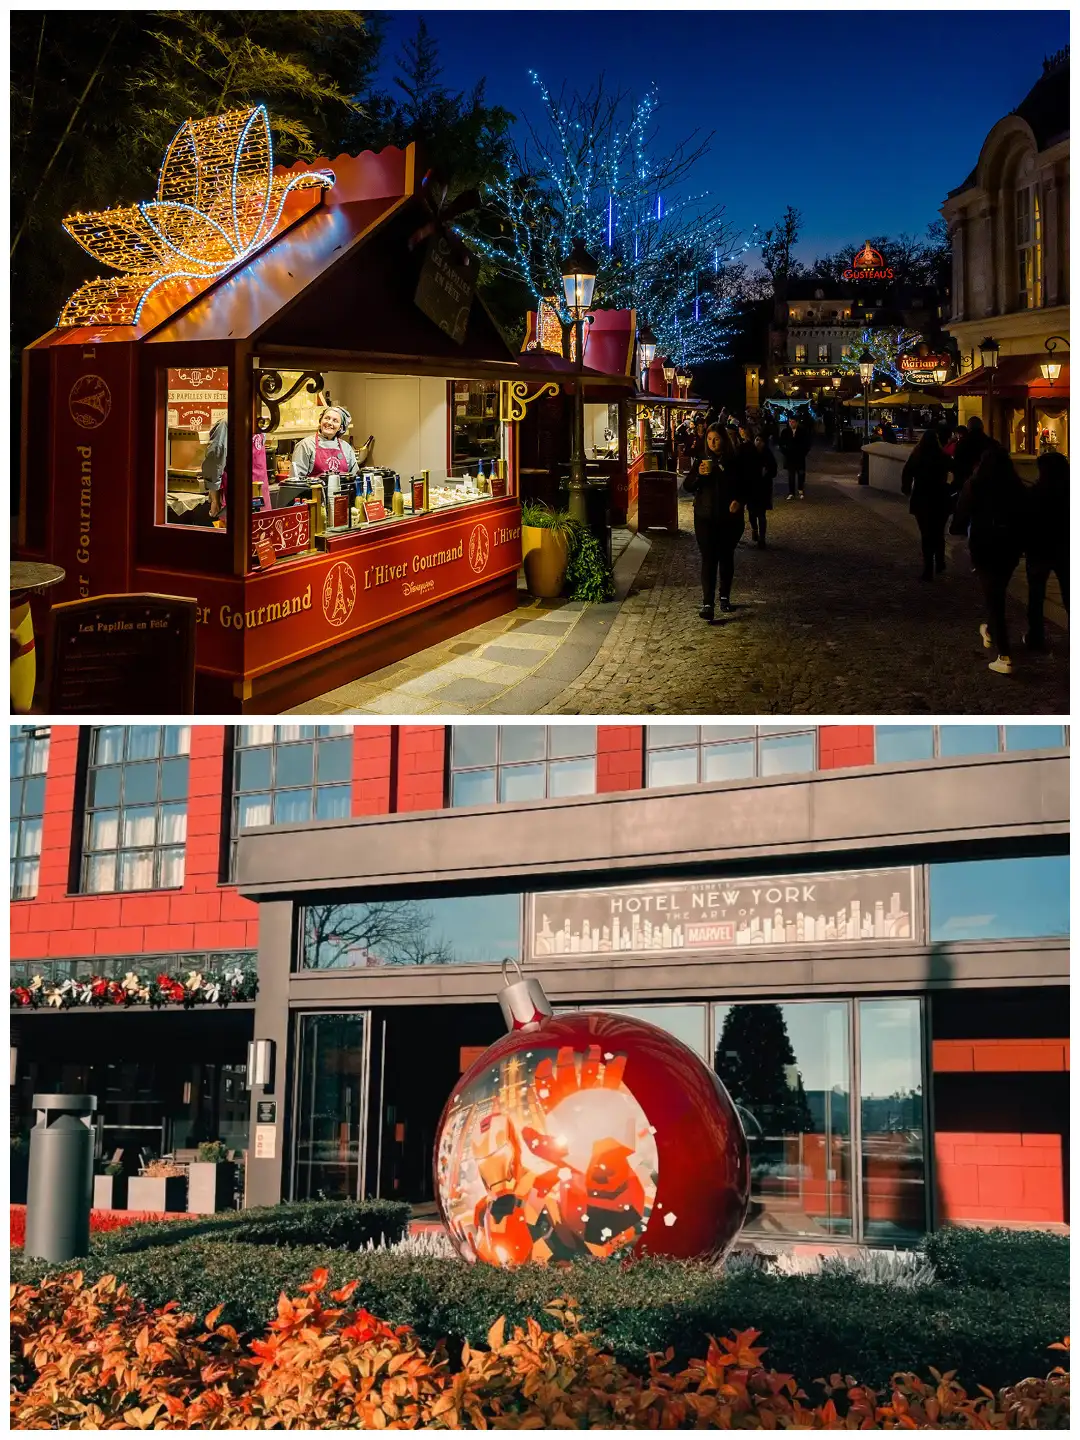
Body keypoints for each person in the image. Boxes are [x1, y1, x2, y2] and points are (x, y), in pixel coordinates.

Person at [950, 441, 1026, 675]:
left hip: (984, 546)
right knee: (997, 591)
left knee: (995, 599)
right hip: (1011, 547)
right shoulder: (1017, 487)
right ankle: (991, 631)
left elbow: (961, 515)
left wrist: (957, 529)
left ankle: (1004, 655)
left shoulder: (975, 485)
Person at [684, 424, 747, 619]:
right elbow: (687, 486)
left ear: (723, 440)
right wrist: (700, 476)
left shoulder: (734, 461)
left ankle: (724, 597)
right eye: (709, 439)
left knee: (726, 557)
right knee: (708, 559)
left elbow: (746, 485)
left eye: (716, 439)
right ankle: (707, 603)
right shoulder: (702, 460)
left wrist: (739, 500)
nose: (712, 443)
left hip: (728, 518)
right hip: (705, 516)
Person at [1023, 449, 1069, 652]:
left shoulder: (1035, 493)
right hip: (1065, 550)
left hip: (1039, 550)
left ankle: (1036, 636)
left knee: (1036, 595)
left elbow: (1026, 522)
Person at [290, 404, 361, 522]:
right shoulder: (306, 445)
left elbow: (355, 477)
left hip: (342, 506)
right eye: (326, 418)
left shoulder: (346, 448)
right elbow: (295, 482)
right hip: (314, 507)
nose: (329, 423)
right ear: (320, 420)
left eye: (335, 420)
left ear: (341, 427)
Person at [901, 428, 953, 580]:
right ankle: (940, 561)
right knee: (938, 532)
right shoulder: (942, 456)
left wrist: (906, 488)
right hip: (940, 497)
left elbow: (907, 472)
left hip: (922, 498)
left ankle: (928, 567)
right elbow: (956, 468)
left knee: (926, 534)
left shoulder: (917, 456)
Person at [747, 429, 777, 547]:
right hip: (751, 487)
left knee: (761, 514)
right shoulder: (750, 453)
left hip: (763, 488)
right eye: (757, 439)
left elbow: (773, 470)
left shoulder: (768, 455)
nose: (758, 442)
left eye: (761, 440)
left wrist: (767, 472)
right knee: (751, 513)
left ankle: (762, 538)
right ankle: (754, 529)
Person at [949, 414, 990, 491]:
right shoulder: (991, 443)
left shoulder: (962, 444)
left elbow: (958, 466)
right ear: (982, 428)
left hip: (966, 484)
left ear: (968, 429)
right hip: (988, 485)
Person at [778, 413, 810, 498]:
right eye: (790, 422)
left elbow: (807, 444)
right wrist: (785, 452)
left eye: (793, 422)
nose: (791, 423)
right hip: (789, 457)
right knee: (791, 476)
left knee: (801, 474)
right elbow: (781, 444)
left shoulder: (803, 432)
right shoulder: (785, 432)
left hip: (799, 457)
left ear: (797, 422)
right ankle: (791, 492)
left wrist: (803, 453)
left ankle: (800, 490)